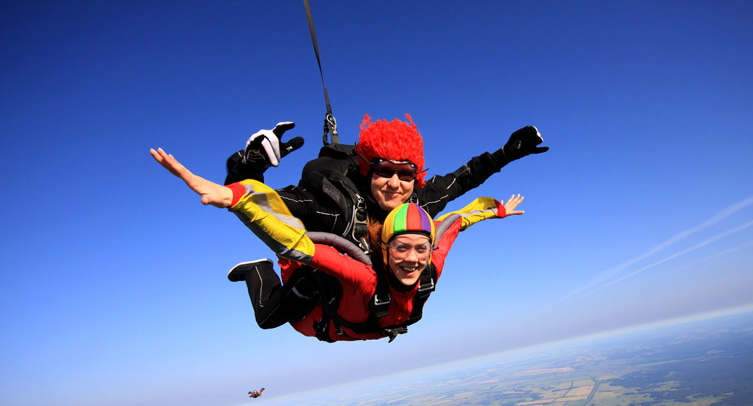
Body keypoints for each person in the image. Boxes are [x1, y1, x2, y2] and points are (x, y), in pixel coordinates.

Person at [150, 148, 524, 342]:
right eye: (401, 249)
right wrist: (236, 196)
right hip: (316, 310)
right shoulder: (361, 273)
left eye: (420, 250)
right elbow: (296, 241)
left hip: (351, 321)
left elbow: (456, 220)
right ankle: (257, 270)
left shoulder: (430, 260)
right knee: (268, 318)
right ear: (384, 249)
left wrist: (499, 209)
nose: (412, 259)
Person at [217, 115, 547, 327]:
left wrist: (506, 152)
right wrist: (249, 167)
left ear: (416, 177)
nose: (394, 184)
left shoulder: (417, 203)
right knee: (269, 317)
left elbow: (463, 179)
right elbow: (255, 201)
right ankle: (257, 270)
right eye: (383, 171)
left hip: (371, 301)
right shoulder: (333, 206)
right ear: (368, 171)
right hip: (324, 281)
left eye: (405, 174)